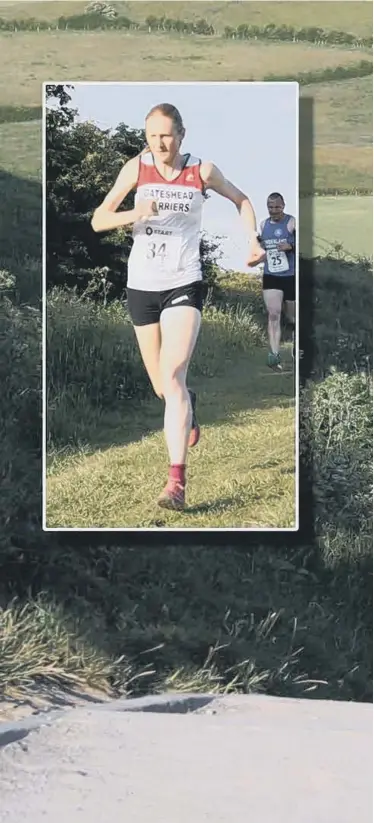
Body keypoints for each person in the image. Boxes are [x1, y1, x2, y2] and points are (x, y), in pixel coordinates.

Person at [91, 102, 264, 511]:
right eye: (152, 136)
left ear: (182, 135)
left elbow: (241, 200)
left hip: (183, 281)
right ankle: (189, 406)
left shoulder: (201, 171)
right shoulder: (137, 168)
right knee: (163, 387)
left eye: (166, 135)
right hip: (141, 286)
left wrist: (252, 240)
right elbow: (99, 219)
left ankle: (176, 483)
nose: (159, 143)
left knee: (171, 374)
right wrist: (136, 211)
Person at [258, 193, 296, 370]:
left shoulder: (291, 223)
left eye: (277, 207)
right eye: (270, 207)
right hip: (271, 274)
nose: (274, 211)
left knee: (293, 317)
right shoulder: (263, 225)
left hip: (289, 275)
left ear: (283, 206)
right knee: (273, 314)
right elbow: (259, 246)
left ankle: (298, 348)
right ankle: (274, 356)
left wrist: (290, 246)